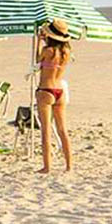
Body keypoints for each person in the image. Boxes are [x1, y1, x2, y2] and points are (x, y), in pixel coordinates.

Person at [36, 19, 73, 174]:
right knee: (62, 130)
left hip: (46, 90)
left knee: (46, 130)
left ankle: (47, 166)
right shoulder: (66, 52)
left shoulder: (47, 50)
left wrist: (39, 41)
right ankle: (69, 165)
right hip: (60, 90)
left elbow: (37, 60)